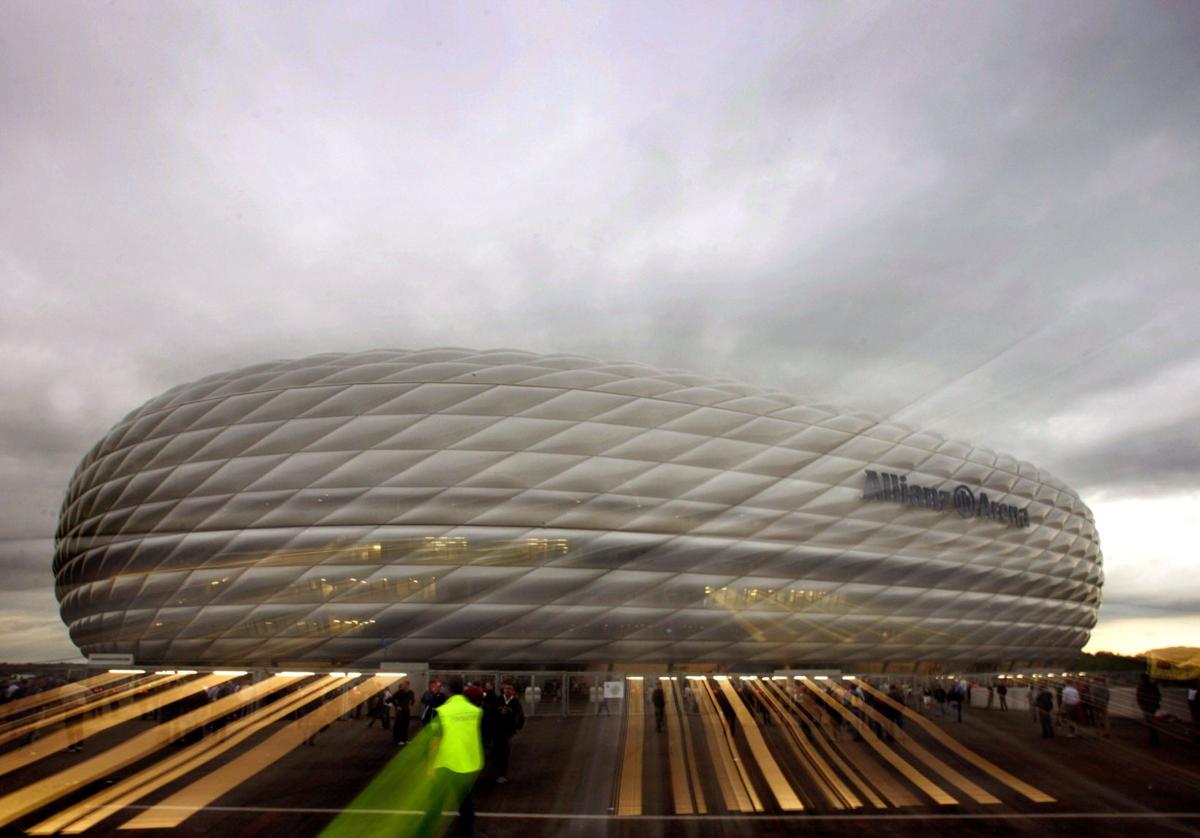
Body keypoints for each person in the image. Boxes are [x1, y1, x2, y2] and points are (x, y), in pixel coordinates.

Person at [419, 675, 483, 837]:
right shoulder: (475, 711)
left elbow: (435, 740)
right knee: (467, 808)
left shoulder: (444, 711)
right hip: (467, 765)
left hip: (446, 765)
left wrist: (430, 766)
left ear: (448, 690)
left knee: (435, 805)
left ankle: (423, 834)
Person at [491, 681, 524, 784]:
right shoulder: (498, 700)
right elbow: (492, 714)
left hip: (507, 731)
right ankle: (497, 773)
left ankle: (502, 774)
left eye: (509, 688)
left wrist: (516, 727)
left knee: (504, 752)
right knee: (496, 752)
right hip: (497, 730)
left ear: (513, 691)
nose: (507, 690)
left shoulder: (515, 703)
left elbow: (520, 717)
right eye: (505, 688)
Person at [1136, 673, 1161, 746]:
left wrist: (1142, 705)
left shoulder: (1141, 687)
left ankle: (1153, 739)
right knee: (1151, 722)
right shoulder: (1153, 686)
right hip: (1152, 706)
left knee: (1150, 722)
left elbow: (1139, 697)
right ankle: (1154, 738)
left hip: (1147, 707)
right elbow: (1158, 696)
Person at [392, 680, 414, 746]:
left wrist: (411, 705)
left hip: (407, 711)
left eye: (405, 685)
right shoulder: (399, 692)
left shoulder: (411, 692)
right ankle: (397, 740)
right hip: (400, 711)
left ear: (408, 685)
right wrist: (397, 706)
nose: (404, 686)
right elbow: (392, 699)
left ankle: (405, 739)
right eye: (403, 685)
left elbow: (413, 700)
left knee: (406, 725)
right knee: (399, 725)